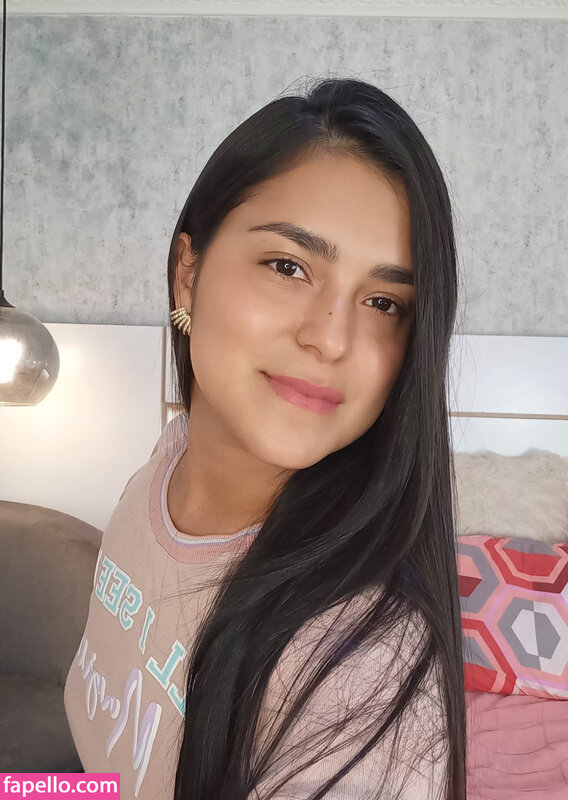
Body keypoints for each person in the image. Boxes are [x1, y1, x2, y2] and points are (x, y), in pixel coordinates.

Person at [64, 76, 466, 800]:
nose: (330, 339)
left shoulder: (360, 667)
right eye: (289, 267)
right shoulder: (163, 468)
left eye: (383, 302)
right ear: (187, 276)